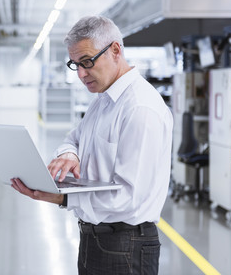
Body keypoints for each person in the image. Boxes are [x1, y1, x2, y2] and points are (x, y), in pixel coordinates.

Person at [11, 15, 173, 275]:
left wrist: (63, 198)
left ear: (116, 50)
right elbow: (74, 137)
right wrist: (69, 154)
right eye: (75, 65)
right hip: (96, 238)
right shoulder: (103, 99)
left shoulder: (140, 108)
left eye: (87, 62)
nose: (81, 74)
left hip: (127, 244)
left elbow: (129, 198)